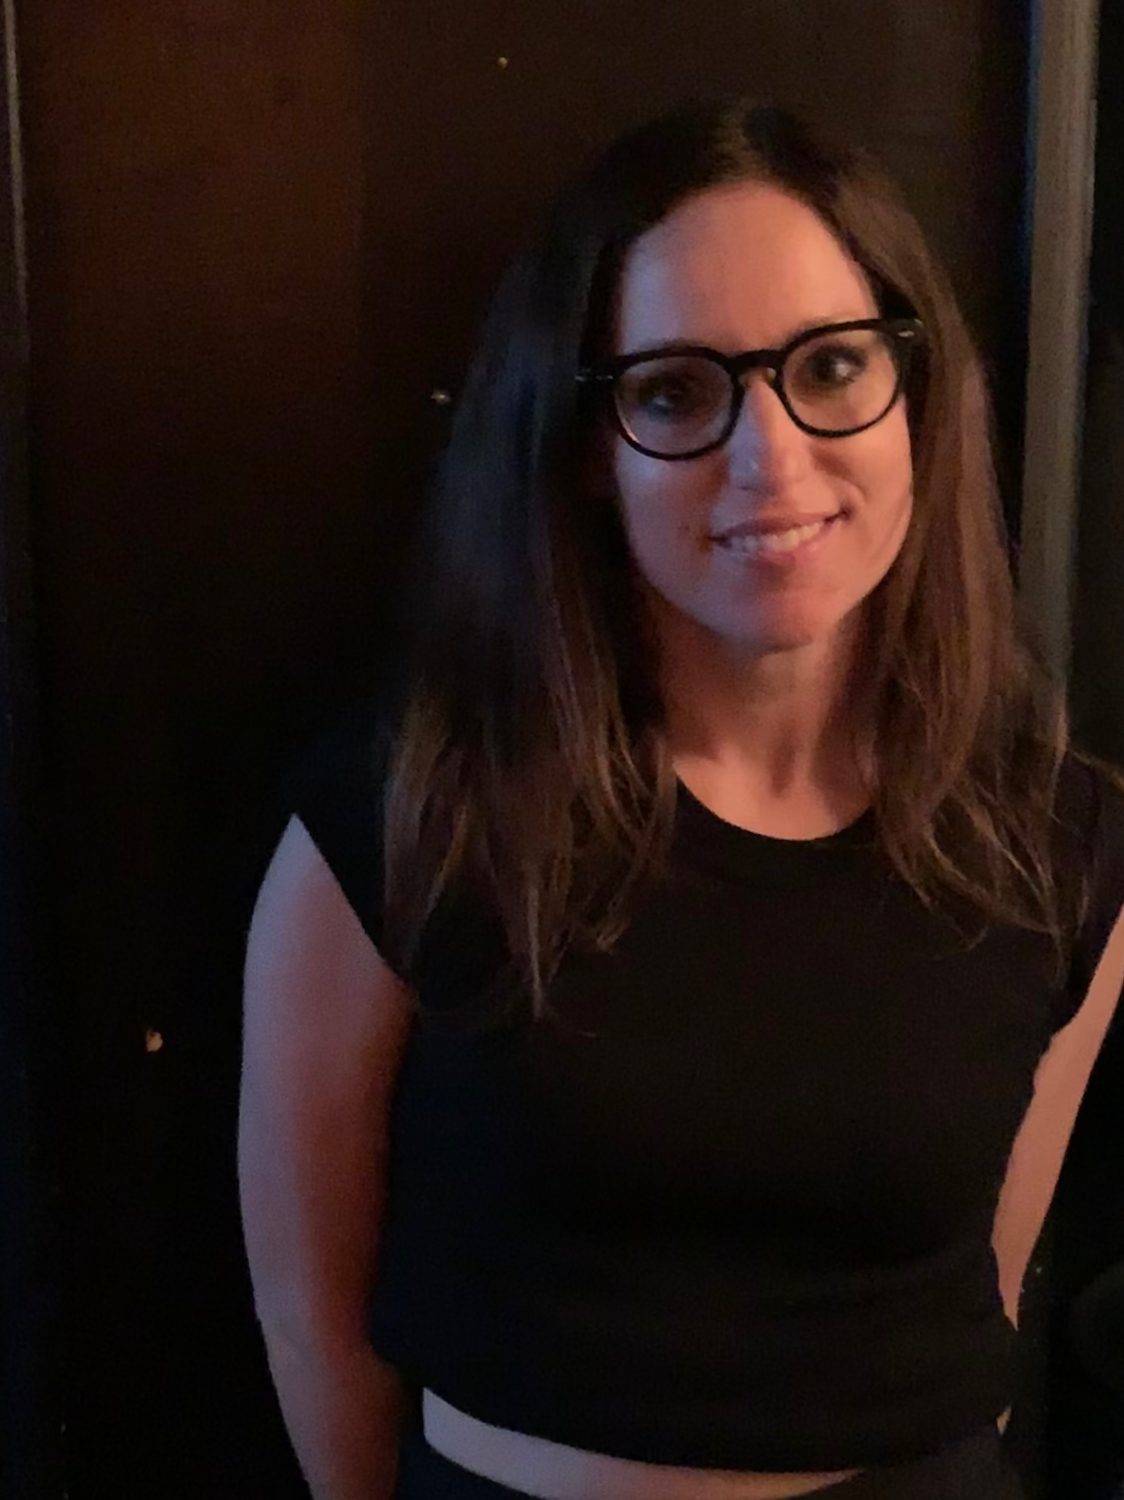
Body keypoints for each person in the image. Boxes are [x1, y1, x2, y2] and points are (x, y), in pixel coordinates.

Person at [237, 98, 1124, 1500]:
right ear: (586, 448)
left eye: (832, 366)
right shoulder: (414, 814)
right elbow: (309, 1319)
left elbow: (992, 1285)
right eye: (674, 392)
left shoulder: (1056, 845)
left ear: (920, 395)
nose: (770, 458)